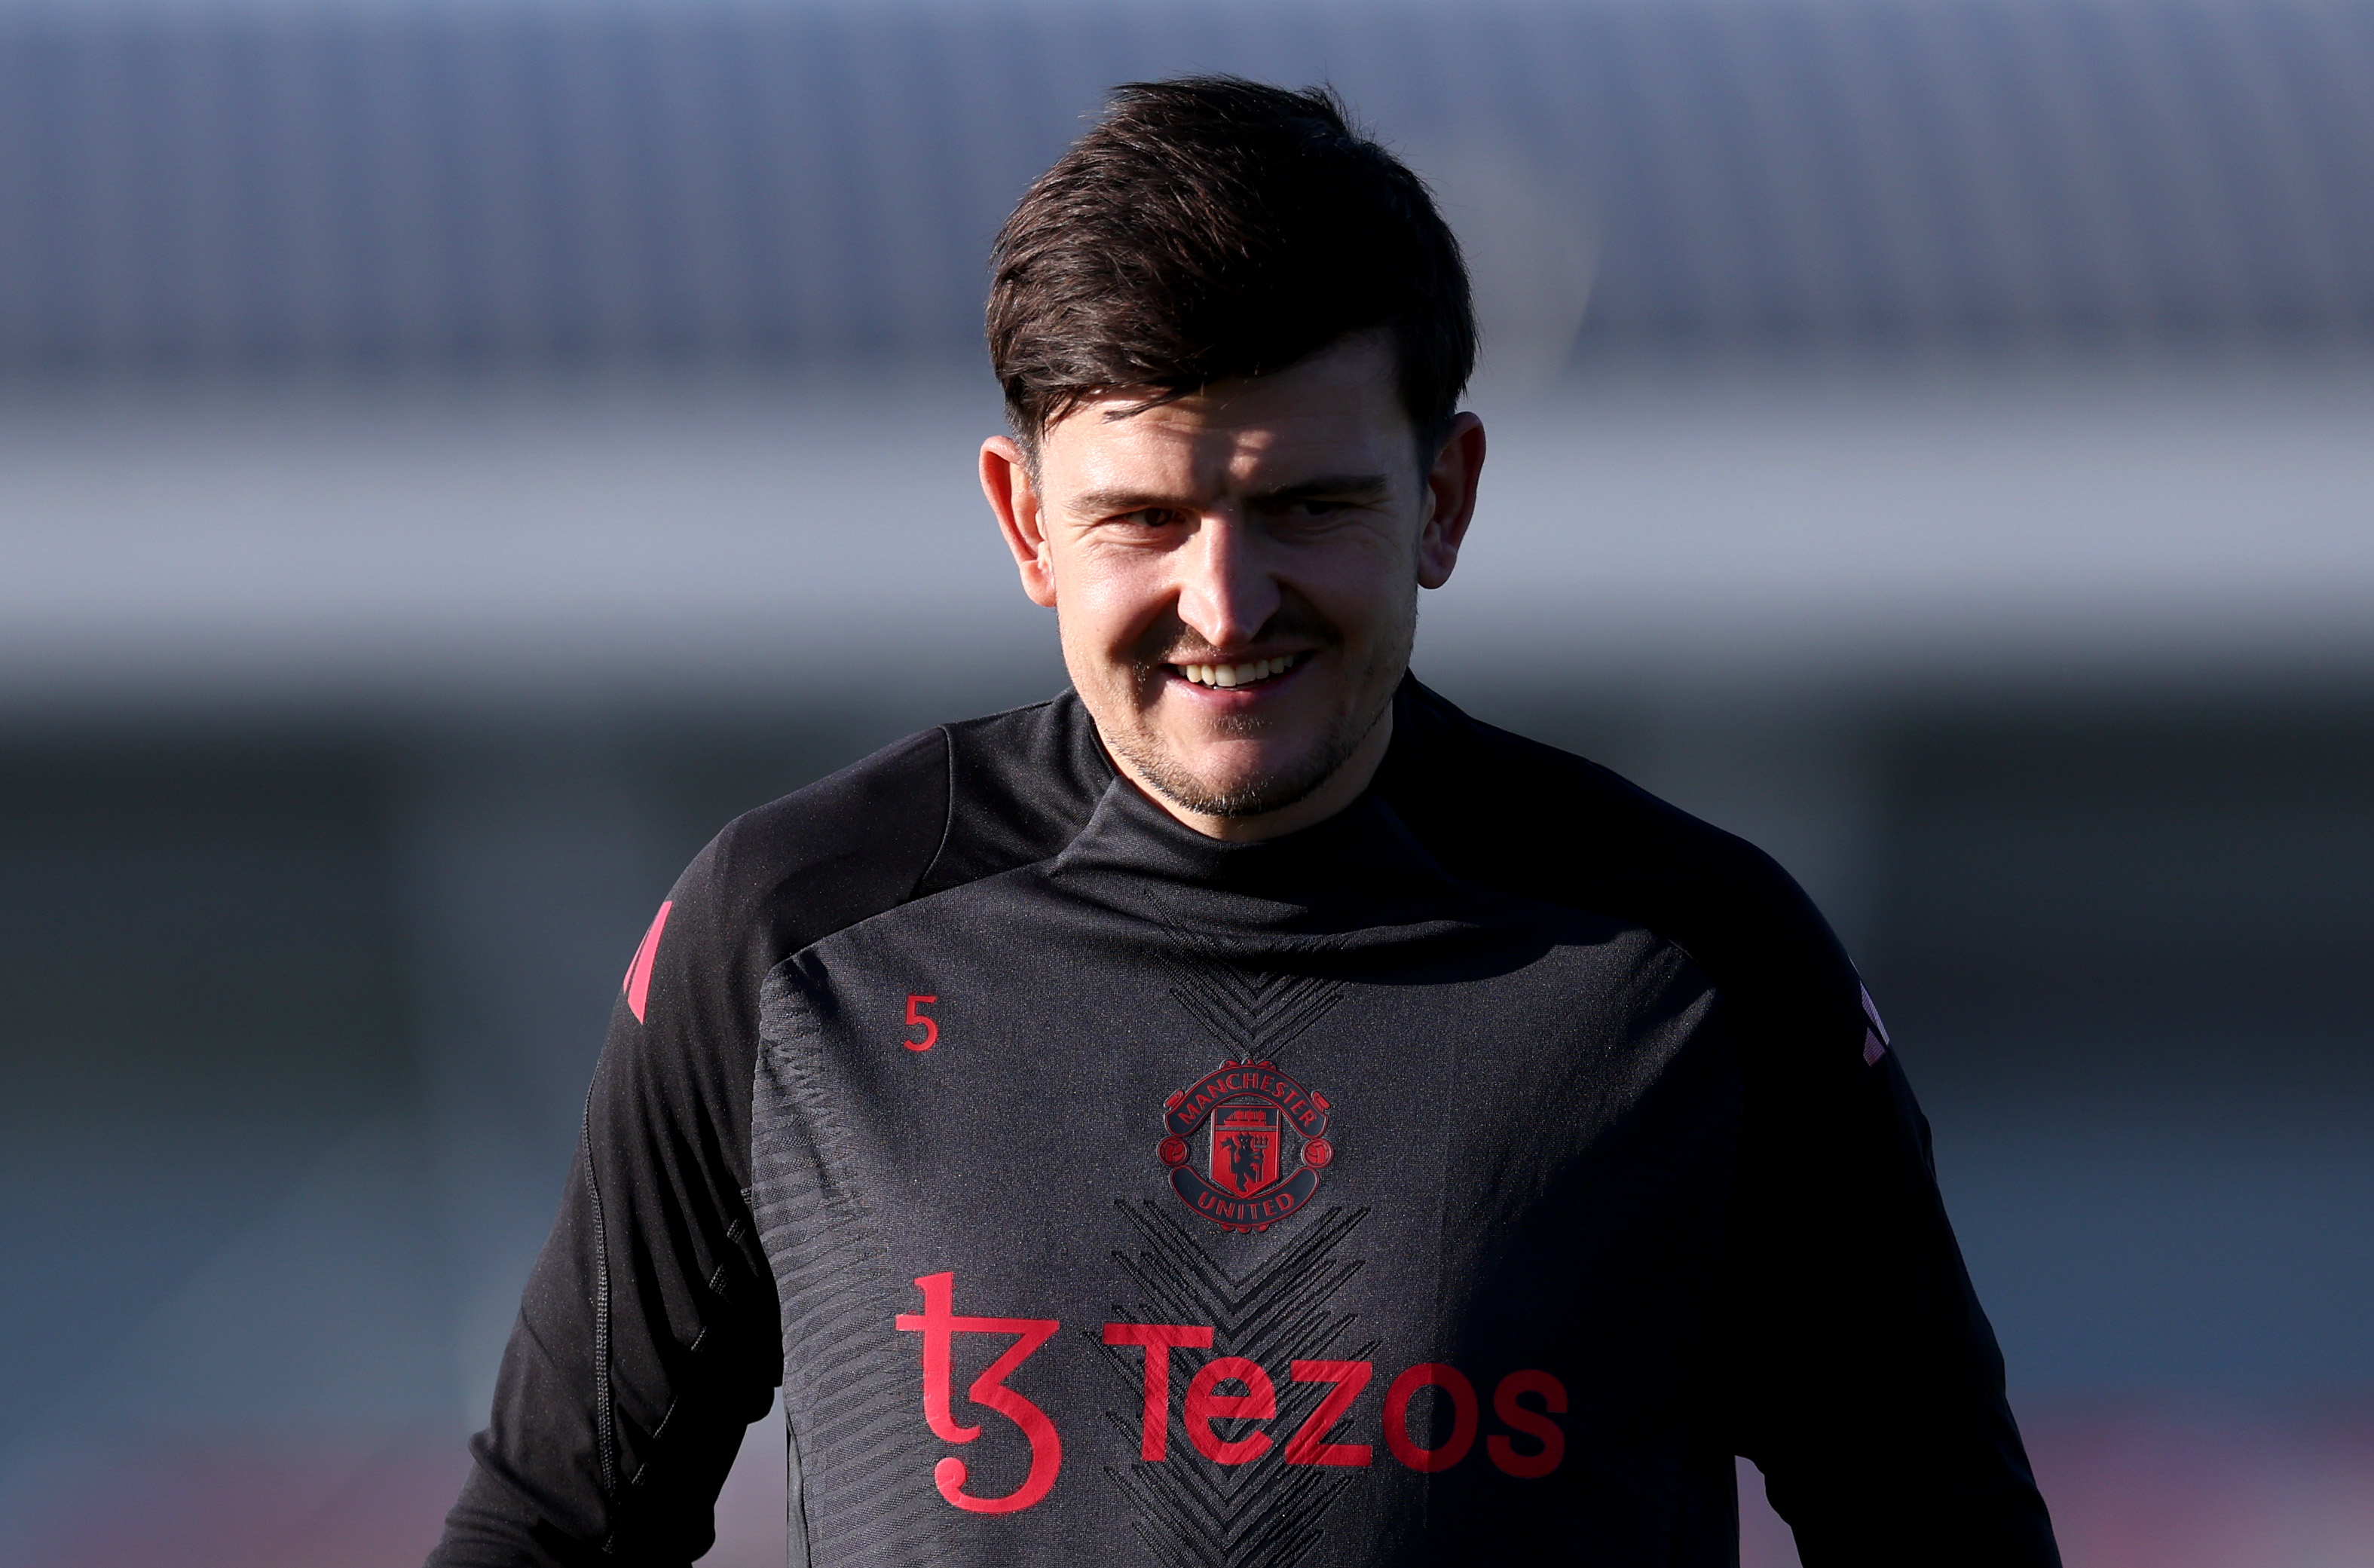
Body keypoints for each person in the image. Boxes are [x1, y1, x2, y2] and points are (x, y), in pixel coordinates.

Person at [428, 78, 2060, 1566]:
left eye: (1308, 506)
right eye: (1145, 515)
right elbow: (554, 1528)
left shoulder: (1699, 966)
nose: (1227, 600)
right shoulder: (792, 940)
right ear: (1023, 521)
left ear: (1446, 498)